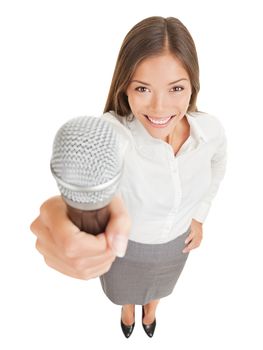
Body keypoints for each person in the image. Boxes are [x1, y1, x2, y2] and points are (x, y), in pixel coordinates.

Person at [30, 16, 227, 338]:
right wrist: (67, 207)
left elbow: (217, 166)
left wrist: (199, 216)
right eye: (143, 88)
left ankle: (151, 310)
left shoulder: (212, 131)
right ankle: (127, 310)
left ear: (193, 86)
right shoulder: (113, 132)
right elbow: (85, 166)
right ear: (125, 87)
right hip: (127, 245)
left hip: (177, 241)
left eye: (176, 88)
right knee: (124, 290)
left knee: (160, 285)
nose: (159, 107)